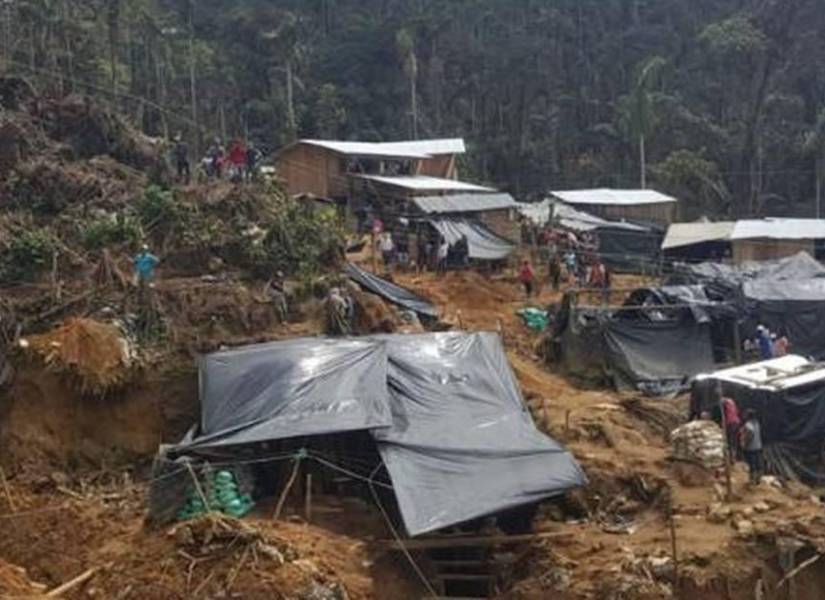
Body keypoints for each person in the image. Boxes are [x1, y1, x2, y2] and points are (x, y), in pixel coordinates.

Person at [740, 409, 763, 485]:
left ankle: (752, 480)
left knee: (752, 464)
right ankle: (758, 479)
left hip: (751, 448)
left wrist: (744, 444)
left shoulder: (748, 425)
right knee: (758, 463)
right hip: (758, 446)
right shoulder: (757, 424)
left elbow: (749, 436)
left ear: (748, 416)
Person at [720, 391, 741, 461]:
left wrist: (720, 396)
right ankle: (734, 456)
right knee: (734, 440)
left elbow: (722, 400)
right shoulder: (733, 403)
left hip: (731, 423)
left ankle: (732, 457)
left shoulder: (728, 401)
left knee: (731, 440)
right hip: (736, 422)